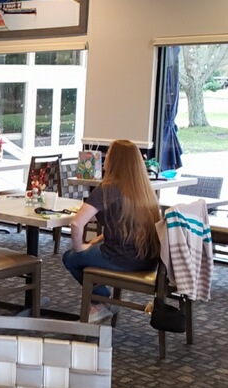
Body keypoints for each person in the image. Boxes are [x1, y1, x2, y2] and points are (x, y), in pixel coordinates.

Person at [63, 139, 161, 324]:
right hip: (148, 261)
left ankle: (99, 302)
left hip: (120, 258)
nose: (105, 158)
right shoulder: (144, 189)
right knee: (89, 251)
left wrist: (79, 248)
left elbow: (76, 224)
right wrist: (98, 239)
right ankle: (101, 303)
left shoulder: (107, 188)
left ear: (114, 161)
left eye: (108, 155)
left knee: (70, 258)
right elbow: (126, 226)